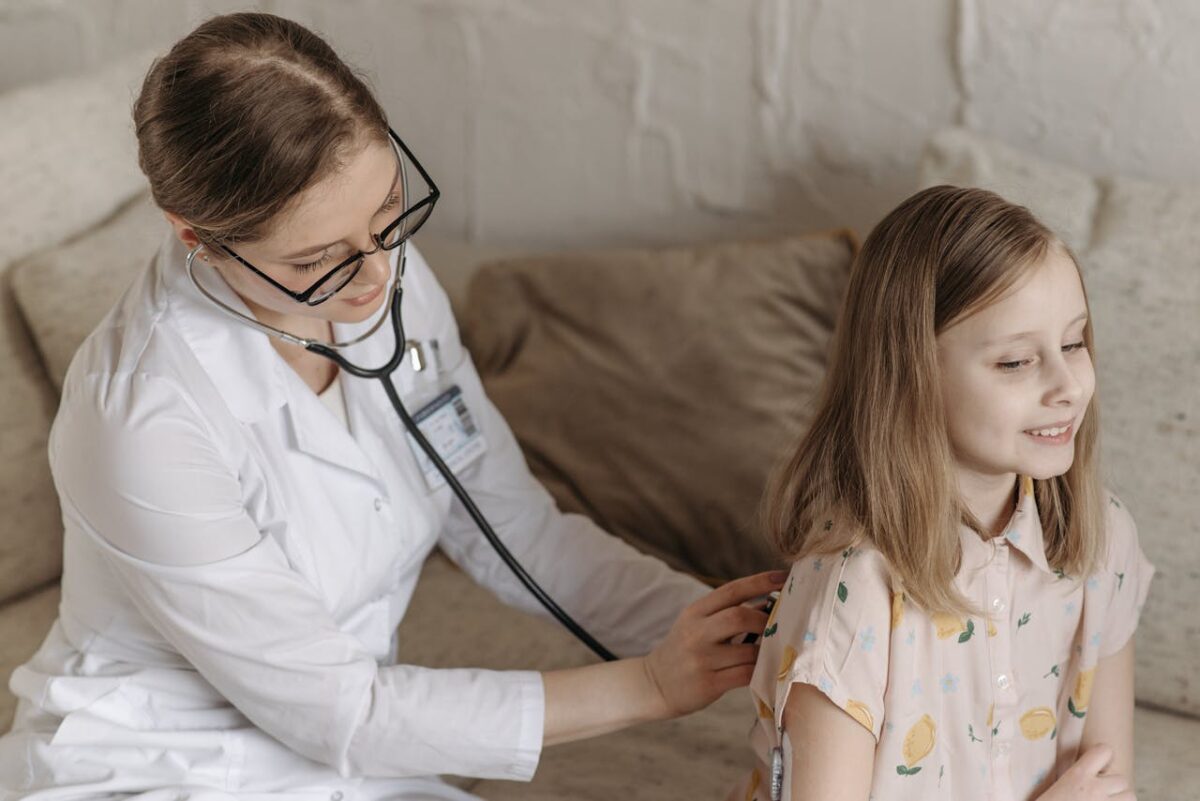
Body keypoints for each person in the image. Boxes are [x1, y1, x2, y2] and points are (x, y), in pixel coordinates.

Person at [0, 12, 782, 800]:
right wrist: (651, 684)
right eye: (315, 259)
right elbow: (340, 709)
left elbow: (518, 532)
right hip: (158, 765)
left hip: (342, 749)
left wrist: (760, 635)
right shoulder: (139, 418)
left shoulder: (380, 276)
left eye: (387, 212)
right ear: (194, 237)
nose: (376, 277)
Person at [729, 186, 1154, 801]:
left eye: (1072, 343)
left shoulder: (1102, 535)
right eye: (1015, 362)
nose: (1067, 386)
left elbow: (1110, 783)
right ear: (911, 376)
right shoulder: (852, 593)